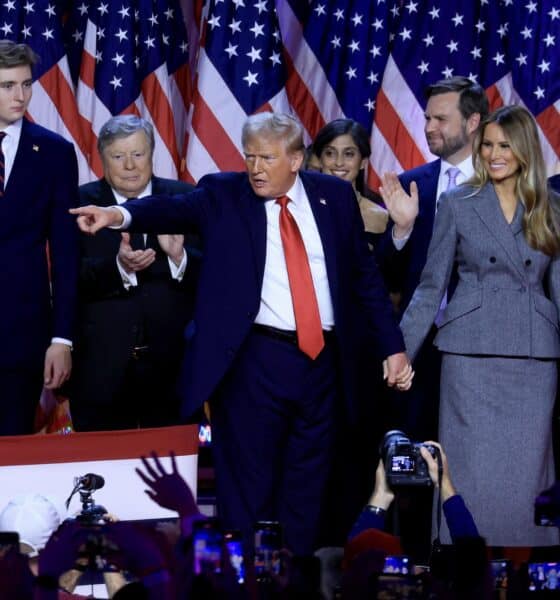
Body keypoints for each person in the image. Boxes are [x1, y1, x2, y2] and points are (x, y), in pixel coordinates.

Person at [71, 112, 413, 556]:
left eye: (267, 158)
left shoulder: (334, 198)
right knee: (248, 485)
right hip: (256, 359)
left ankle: (296, 578)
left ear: (295, 159)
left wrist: (393, 348)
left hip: (325, 364)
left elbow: (365, 279)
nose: (255, 168)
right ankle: (241, 577)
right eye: (250, 156)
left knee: (308, 480)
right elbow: (169, 208)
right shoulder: (225, 193)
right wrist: (116, 214)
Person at [398, 105, 560, 547]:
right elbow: (431, 288)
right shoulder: (458, 203)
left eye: (504, 145)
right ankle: (463, 571)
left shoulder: (551, 208)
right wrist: (400, 352)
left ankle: (527, 574)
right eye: (486, 144)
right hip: (470, 357)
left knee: (527, 475)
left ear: (524, 150)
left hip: (532, 358)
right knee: (467, 471)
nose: (493, 154)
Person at [376, 76, 489, 443]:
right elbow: (385, 275)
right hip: (420, 350)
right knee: (412, 460)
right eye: (426, 118)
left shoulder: (499, 184)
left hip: (481, 351)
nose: (428, 127)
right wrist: (401, 230)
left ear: (473, 123)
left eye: (440, 119)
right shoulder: (412, 185)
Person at [70, 115, 199, 431]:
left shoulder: (185, 200)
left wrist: (179, 257)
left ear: (152, 154)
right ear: (102, 159)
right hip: (100, 373)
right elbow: (66, 280)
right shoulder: (79, 204)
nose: (130, 165)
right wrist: (118, 268)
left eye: (138, 154)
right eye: (118, 156)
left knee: (171, 477)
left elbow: (217, 281)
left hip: (174, 372)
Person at [0, 41, 79, 435]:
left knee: (10, 454)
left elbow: (66, 254)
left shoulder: (54, 152)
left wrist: (61, 338)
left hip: (19, 338)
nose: (21, 96)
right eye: (8, 85)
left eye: (26, 84)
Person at [313, 118, 389, 243]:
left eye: (348, 154)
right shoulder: (302, 208)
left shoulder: (379, 217)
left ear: (363, 163)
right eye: (330, 153)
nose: (339, 163)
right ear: (320, 160)